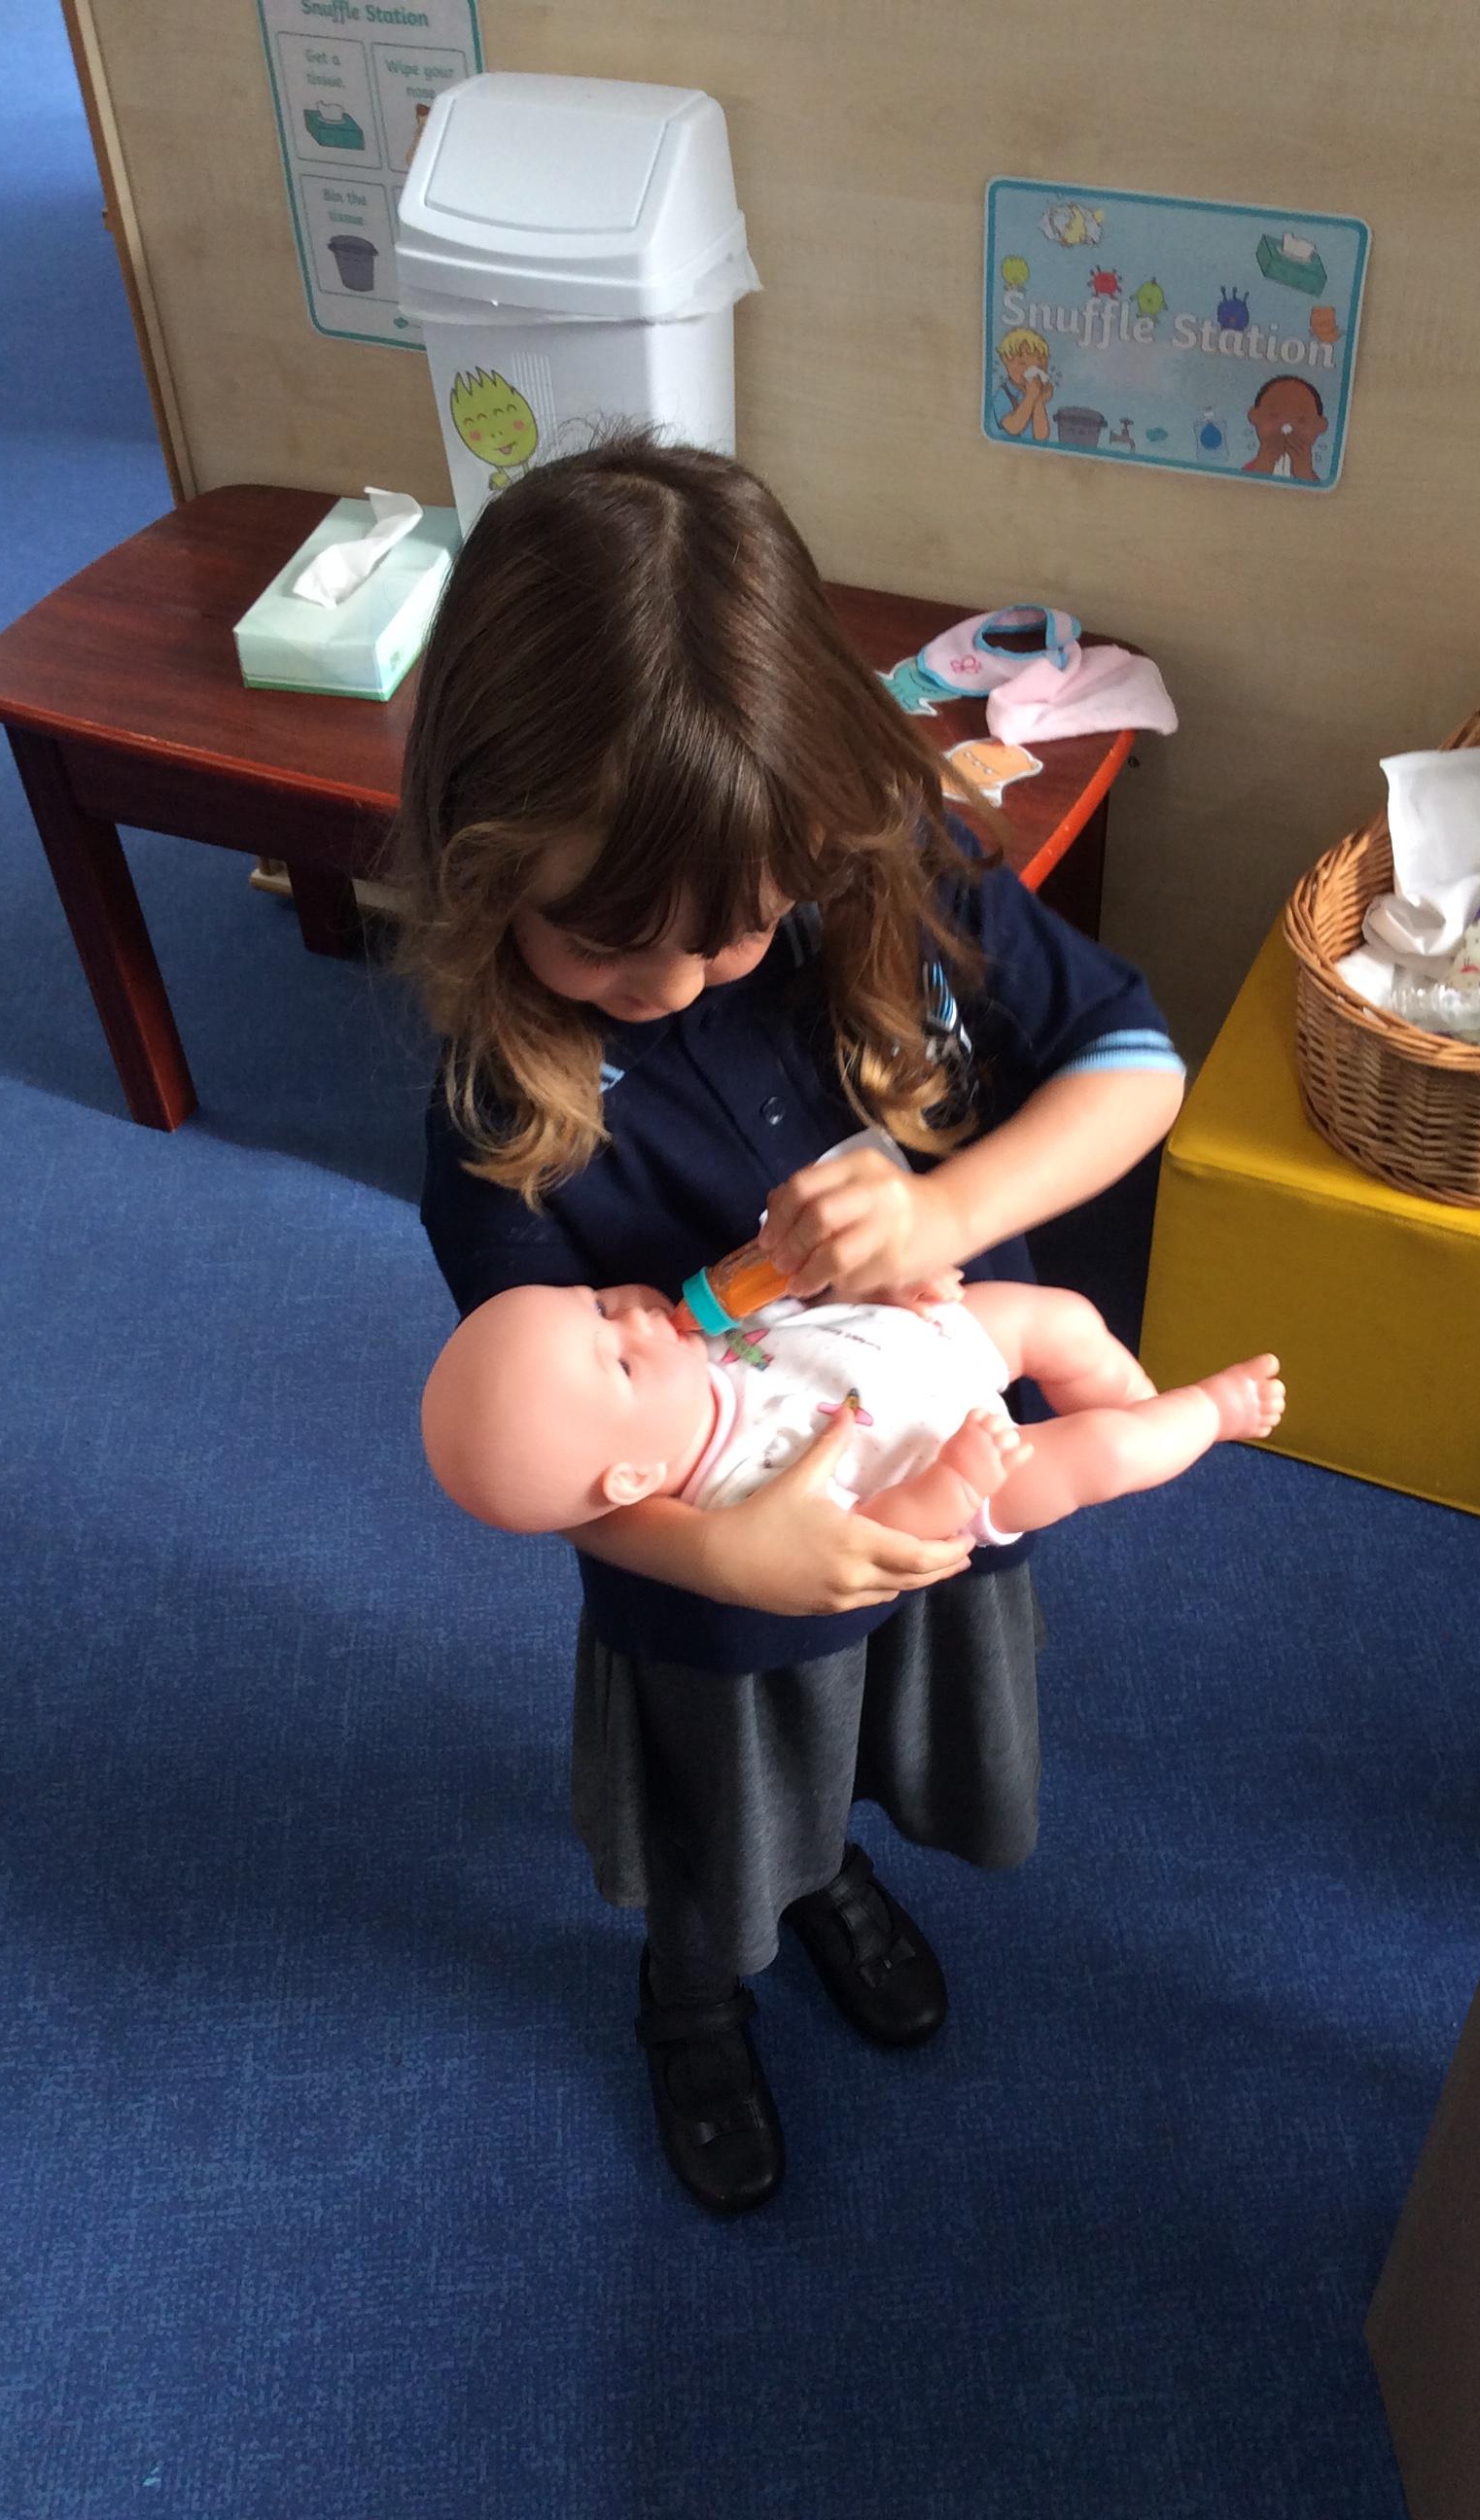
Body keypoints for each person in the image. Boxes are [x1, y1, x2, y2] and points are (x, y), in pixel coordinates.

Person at [390, 437, 1188, 2217]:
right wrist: (722, 1556)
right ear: (481, 858)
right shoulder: (496, 1100)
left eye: (735, 932)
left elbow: (1139, 1067)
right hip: (710, 1585)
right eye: (604, 941)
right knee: (721, 1809)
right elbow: (536, 1451)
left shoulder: (888, 880)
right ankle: (690, 1996)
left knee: (871, 1729)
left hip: (935, 1487)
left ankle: (826, 1873)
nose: (671, 983)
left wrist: (946, 1215)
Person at [419, 1275, 1284, 1543]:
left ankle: (1136, 1398)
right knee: (1104, 1454)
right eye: (618, 1358)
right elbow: (871, 1534)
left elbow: (805, 1311)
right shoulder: (738, 1501)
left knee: (1062, 1320)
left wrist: (889, 1290)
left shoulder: (693, 1349)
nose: (636, 1320)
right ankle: (1211, 1413)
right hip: (947, 1457)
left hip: (920, 1341)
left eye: (598, 1303)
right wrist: (956, 1484)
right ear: (634, 1473)